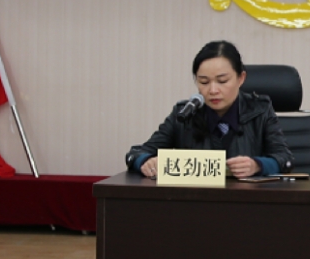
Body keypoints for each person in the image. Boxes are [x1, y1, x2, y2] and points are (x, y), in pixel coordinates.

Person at [125, 40, 294, 179]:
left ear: (241, 78)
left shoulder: (260, 110)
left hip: (246, 202)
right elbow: (136, 153)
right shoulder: (185, 114)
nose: (213, 90)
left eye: (222, 81)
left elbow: (285, 159)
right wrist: (146, 161)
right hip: (196, 201)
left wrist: (257, 165)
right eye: (204, 82)